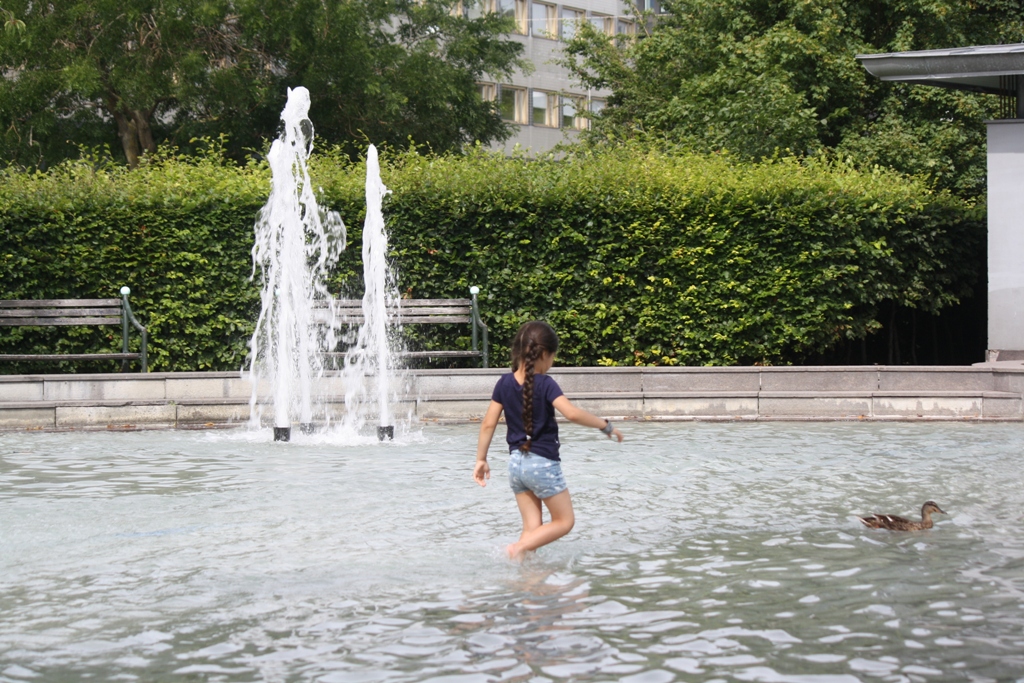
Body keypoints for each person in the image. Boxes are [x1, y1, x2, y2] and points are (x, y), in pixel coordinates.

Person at [473, 321, 624, 560]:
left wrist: (481, 459)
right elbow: (572, 413)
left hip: (515, 465)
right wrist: (606, 425)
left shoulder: (503, 383)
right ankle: (518, 549)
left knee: (532, 530)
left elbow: (488, 424)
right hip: (541, 463)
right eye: (553, 357)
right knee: (564, 521)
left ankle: (529, 586)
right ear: (544, 354)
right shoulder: (546, 383)